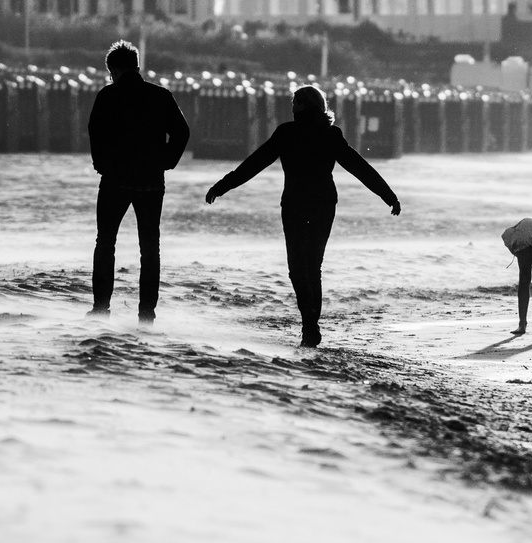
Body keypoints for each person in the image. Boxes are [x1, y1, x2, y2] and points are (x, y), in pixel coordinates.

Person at [205, 84, 400, 347]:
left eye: (295, 101)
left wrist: (222, 186)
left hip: (296, 204)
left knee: (298, 269)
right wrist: (388, 195)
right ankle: (310, 326)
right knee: (313, 267)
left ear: (303, 105)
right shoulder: (329, 134)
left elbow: (254, 163)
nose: (291, 105)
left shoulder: (288, 132)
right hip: (323, 204)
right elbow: (359, 167)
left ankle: (309, 325)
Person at [87, 40, 191, 324]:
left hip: (115, 181)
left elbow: (95, 132)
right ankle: (146, 314)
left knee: (105, 242)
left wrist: (102, 164)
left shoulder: (107, 96)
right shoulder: (160, 96)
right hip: (151, 182)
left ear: (114, 70)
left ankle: (101, 308)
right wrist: (166, 161)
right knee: (150, 247)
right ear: (135, 66)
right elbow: (182, 132)